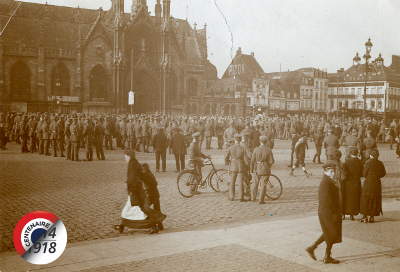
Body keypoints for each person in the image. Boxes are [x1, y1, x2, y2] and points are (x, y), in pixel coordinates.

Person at [115, 150, 166, 234]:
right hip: (136, 192)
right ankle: (121, 226)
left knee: (140, 211)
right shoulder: (135, 163)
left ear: (129, 156)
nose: (125, 158)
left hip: (135, 192)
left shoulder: (132, 164)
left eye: (125, 156)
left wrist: (132, 189)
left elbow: (132, 180)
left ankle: (154, 226)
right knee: (130, 210)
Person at [305, 163, 342, 264]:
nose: (333, 173)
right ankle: (322, 253)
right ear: (325, 172)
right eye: (331, 172)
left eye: (334, 171)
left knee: (330, 232)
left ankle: (320, 252)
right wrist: (335, 212)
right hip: (328, 211)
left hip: (327, 211)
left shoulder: (328, 181)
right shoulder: (326, 182)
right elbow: (327, 200)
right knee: (332, 233)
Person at [359, 149, 386, 223]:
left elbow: (364, 174)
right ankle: (371, 217)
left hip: (369, 182)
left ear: (371, 155)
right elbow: (383, 173)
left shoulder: (368, 163)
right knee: (375, 198)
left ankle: (365, 217)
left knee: (366, 198)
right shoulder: (380, 163)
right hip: (377, 182)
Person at [225, 134, 249, 201]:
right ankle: (241, 197)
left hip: (233, 165)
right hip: (241, 166)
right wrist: (247, 165)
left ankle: (231, 196)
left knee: (232, 181)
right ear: (240, 140)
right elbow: (246, 159)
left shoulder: (230, 148)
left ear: (234, 140)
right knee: (241, 182)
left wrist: (227, 162)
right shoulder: (242, 148)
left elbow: (226, 157)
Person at [250, 136, 274, 204]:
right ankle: (261, 200)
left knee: (255, 184)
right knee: (263, 185)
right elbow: (272, 161)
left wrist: (251, 171)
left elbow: (252, 161)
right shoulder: (268, 150)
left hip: (257, 168)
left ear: (260, 141)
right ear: (266, 142)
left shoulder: (255, 149)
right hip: (265, 169)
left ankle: (253, 198)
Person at [342, 147, 363, 220]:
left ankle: (345, 212)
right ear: (357, 153)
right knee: (355, 197)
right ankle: (353, 213)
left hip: (348, 181)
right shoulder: (359, 161)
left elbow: (345, 171)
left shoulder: (347, 161)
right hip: (356, 181)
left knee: (347, 196)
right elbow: (362, 172)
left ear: (350, 153)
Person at [141, 163, 163, 231]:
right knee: (157, 210)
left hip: (151, 195)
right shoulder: (150, 174)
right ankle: (160, 226)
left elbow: (147, 187)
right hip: (155, 194)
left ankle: (154, 226)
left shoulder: (147, 175)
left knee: (146, 209)